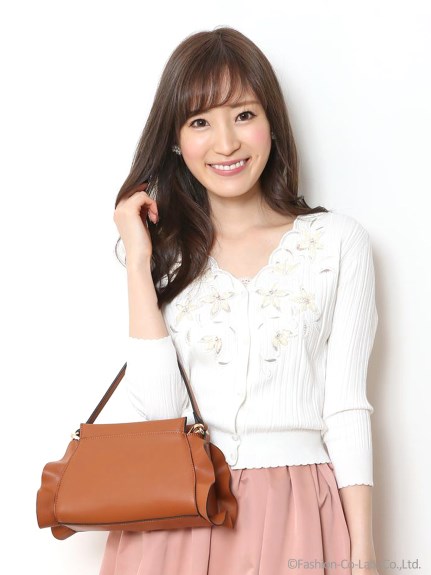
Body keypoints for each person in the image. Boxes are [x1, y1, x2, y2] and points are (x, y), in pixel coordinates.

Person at [100, 26, 380, 575]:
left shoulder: (337, 242)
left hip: (298, 509)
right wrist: (137, 262)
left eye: (244, 114)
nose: (226, 143)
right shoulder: (164, 253)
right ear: (175, 140)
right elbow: (159, 413)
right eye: (199, 122)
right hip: (178, 518)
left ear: (272, 122)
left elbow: (347, 407)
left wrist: (364, 552)